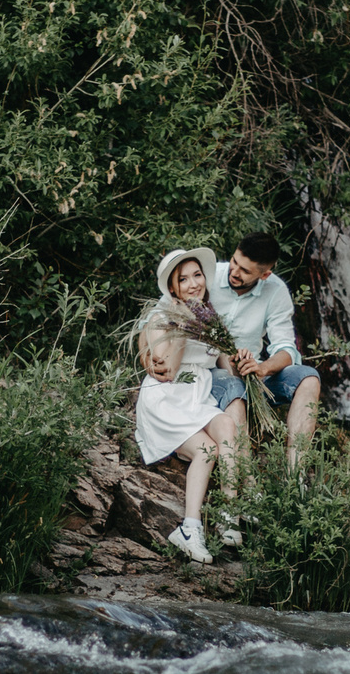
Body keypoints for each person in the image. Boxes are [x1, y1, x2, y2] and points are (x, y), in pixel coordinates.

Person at [206, 231, 322, 466]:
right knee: (233, 387)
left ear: (265, 274)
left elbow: (287, 350)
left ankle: (295, 476)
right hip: (212, 373)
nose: (234, 272)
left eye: (245, 271)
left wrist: (262, 368)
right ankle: (246, 480)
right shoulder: (207, 276)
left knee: (309, 379)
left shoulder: (276, 291)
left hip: (254, 375)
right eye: (234, 262)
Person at [131, 311, 232, 565]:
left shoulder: (210, 315)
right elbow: (167, 367)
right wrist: (183, 329)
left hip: (197, 397)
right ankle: (189, 528)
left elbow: (224, 363)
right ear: (173, 286)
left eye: (197, 275)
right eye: (183, 279)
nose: (193, 283)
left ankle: (230, 514)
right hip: (168, 398)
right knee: (207, 449)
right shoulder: (161, 316)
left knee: (228, 425)